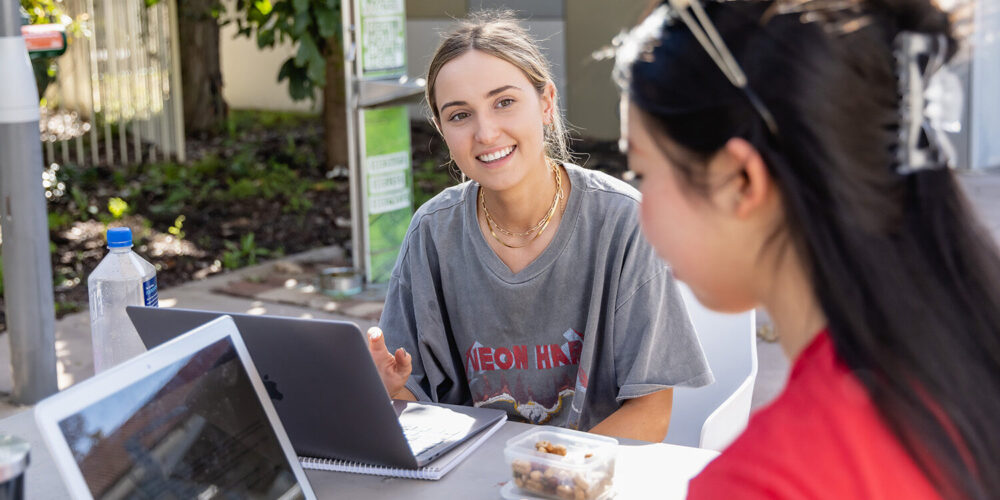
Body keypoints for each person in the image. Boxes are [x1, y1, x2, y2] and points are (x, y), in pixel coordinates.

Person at [617, 0, 999, 497]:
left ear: (741, 180)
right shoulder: (960, 369)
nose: (640, 210)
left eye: (642, 173)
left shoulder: (762, 479)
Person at [366, 11, 713, 442]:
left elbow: (651, 413)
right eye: (460, 115)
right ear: (441, 129)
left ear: (546, 102)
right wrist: (395, 389)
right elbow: (420, 414)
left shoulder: (623, 222)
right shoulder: (432, 234)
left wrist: (545, 473)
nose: (486, 132)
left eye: (504, 102)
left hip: (592, 478)